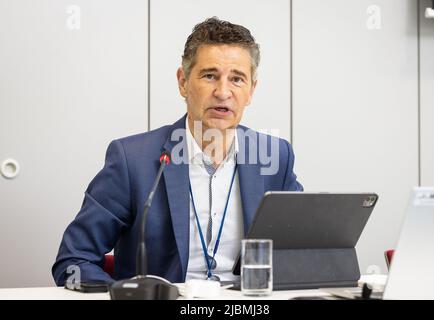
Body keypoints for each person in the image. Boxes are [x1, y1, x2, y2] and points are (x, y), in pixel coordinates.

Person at [52, 17, 303, 286]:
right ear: (183, 82)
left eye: (237, 79)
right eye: (210, 76)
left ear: (251, 90)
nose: (223, 92)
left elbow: (304, 251)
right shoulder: (132, 159)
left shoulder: (275, 156)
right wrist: (127, 295)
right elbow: (73, 261)